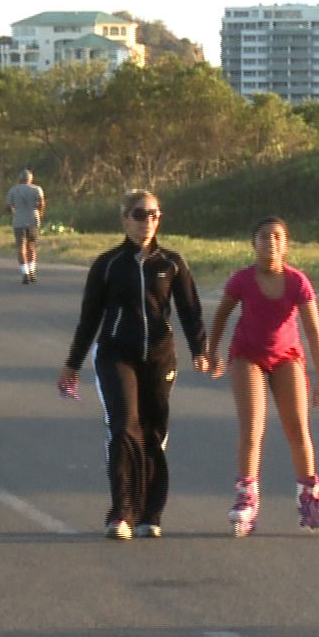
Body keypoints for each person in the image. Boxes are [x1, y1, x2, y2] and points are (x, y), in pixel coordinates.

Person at [58, 190, 210, 541]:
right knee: (125, 427)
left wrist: (200, 350)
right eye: (139, 215)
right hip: (116, 354)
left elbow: (190, 311)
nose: (147, 222)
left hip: (159, 356)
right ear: (124, 218)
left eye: (154, 214)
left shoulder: (172, 263)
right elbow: (89, 318)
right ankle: (121, 513)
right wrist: (73, 362)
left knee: (154, 433)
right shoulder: (108, 264)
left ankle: (149, 513)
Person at [205, 216, 319, 537]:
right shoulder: (242, 280)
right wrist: (212, 353)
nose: (271, 243)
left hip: (287, 357)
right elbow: (221, 315)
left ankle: (310, 495)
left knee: (298, 427)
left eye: (278, 237)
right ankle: (246, 494)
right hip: (247, 355)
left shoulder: (297, 282)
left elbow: (313, 331)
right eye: (264, 237)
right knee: (253, 427)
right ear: (254, 244)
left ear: (287, 244)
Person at [6, 169, 46, 284]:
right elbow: (42, 203)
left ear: (20, 179)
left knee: (21, 247)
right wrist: (40, 213)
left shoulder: (13, 190)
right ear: (31, 179)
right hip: (33, 220)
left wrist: (13, 213)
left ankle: (25, 273)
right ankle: (32, 271)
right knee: (31, 246)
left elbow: (9, 206)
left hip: (18, 220)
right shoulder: (37, 189)